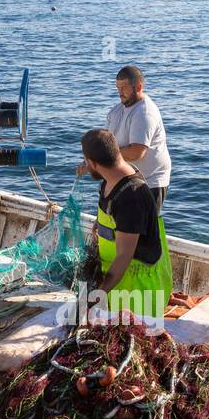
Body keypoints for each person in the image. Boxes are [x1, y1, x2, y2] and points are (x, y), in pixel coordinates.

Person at [80, 129, 172, 319]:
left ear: (94, 163)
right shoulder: (111, 178)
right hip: (117, 280)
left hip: (137, 289)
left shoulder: (132, 198)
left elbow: (124, 256)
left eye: (86, 162)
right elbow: (112, 213)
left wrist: (97, 295)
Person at [100, 65, 171, 210]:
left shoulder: (144, 113)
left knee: (140, 230)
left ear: (138, 87)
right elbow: (105, 142)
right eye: (117, 87)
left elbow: (136, 152)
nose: (120, 92)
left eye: (124, 88)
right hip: (124, 179)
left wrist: (103, 156)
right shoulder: (116, 111)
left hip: (148, 183)